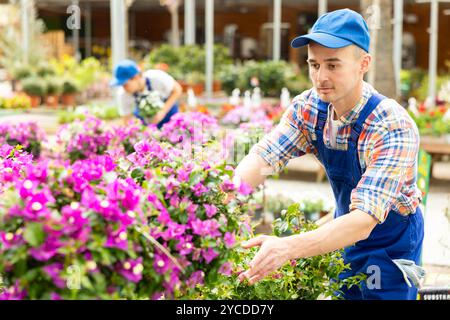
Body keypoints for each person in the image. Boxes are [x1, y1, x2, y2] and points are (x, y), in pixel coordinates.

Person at [234, 8, 424, 300]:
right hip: (342, 232)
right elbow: (265, 156)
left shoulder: (391, 126)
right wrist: (228, 195)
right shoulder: (308, 108)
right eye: (314, 64)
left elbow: (363, 220)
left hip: (391, 243)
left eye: (333, 65)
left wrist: (287, 247)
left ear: (364, 64)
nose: (320, 76)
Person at [110, 59, 182, 128]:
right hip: (148, 127)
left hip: (170, 118)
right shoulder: (123, 94)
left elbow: (177, 89)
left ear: (136, 77)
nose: (124, 88)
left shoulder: (156, 77)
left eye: (125, 84)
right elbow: (126, 120)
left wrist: (162, 112)